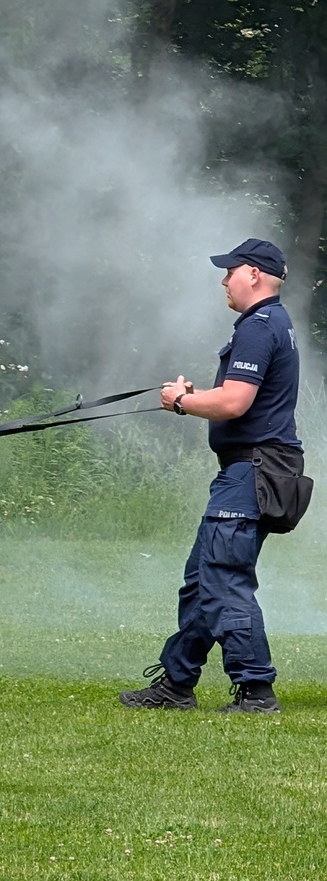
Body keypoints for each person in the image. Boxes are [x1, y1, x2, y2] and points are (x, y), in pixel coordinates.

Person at [120, 238, 301, 715]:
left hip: (252, 471)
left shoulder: (259, 327)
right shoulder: (270, 324)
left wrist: (180, 401)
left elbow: (233, 403)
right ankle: (177, 684)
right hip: (252, 470)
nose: (224, 280)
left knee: (223, 579)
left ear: (255, 275)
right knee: (202, 580)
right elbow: (237, 398)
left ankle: (256, 691)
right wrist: (194, 396)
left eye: (230, 271)